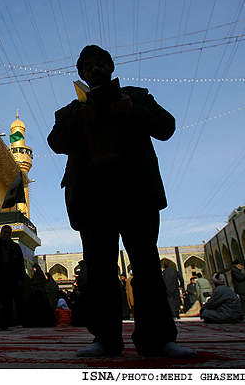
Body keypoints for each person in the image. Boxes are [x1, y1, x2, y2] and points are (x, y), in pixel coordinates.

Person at [47, 45, 196, 358]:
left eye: (100, 62)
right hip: (93, 197)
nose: (95, 68)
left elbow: (166, 126)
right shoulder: (72, 110)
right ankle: (106, 339)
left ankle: (158, 339)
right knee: (100, 270)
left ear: (110, 68)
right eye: (88, 65)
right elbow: (56, 142)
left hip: (134, 191)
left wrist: (133, 111)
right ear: (82, 74)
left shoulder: (135, 96)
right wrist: (81, 121)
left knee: (145, 265)